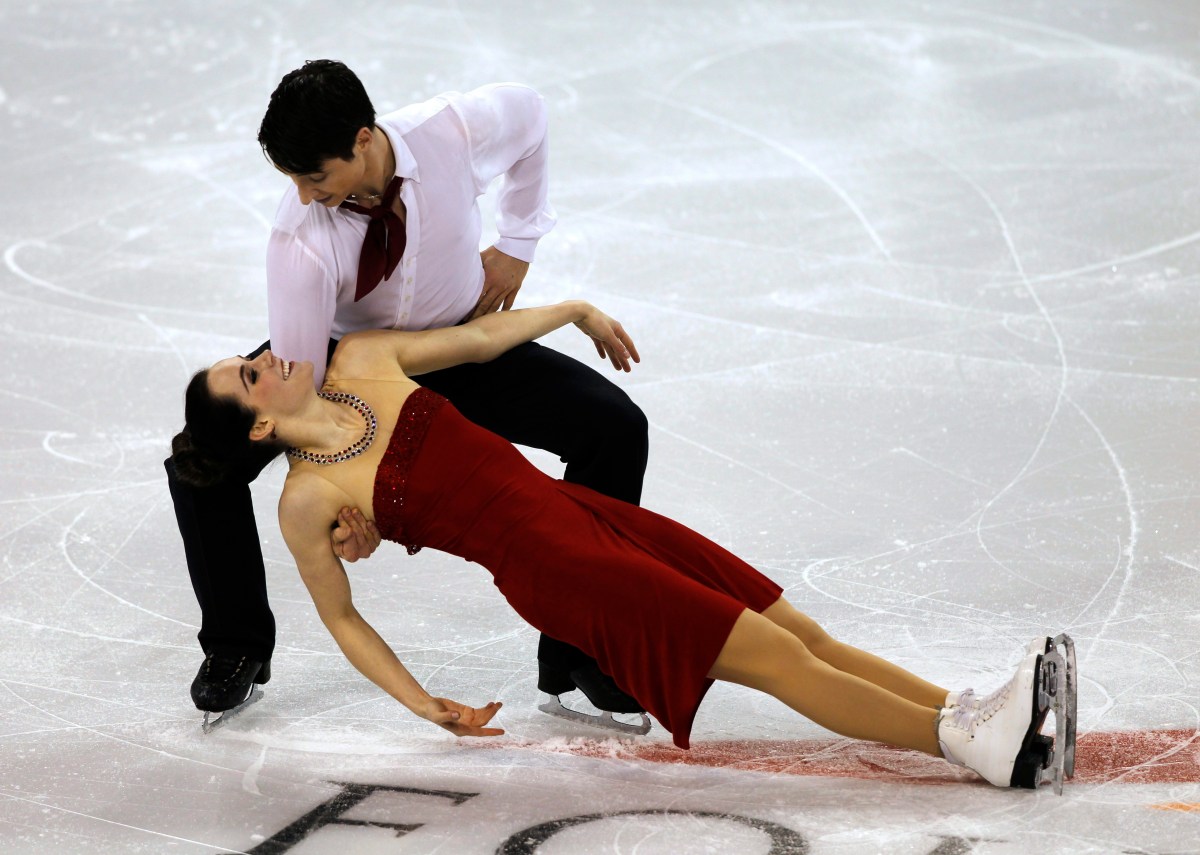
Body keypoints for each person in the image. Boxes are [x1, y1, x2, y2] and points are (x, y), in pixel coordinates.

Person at [170, 300, 1069, 790]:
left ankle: (970, 708)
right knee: (770, 659)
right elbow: (341, 616)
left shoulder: (361, 359)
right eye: (249, 376)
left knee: (798, 633)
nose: (267, 356)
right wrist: (422, 702)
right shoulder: (308, 496)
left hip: (591, 516)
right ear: (255, 430)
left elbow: (480, 337)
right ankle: (972, 747)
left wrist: (572, 310)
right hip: (555, 565)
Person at [164, 60, 648, 722]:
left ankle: (581, 654)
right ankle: (236, 644)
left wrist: (518, 242)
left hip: (455, 340)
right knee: (200, 462)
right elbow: (305, 393)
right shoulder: (300, 241)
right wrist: (343, 507)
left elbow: (530, 113)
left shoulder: (448, 134)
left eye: (315, 178)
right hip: (352, 365)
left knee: (614, 427)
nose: (304, 196)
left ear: (363, 140)